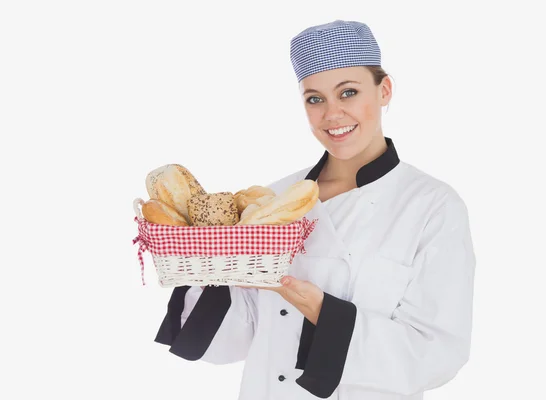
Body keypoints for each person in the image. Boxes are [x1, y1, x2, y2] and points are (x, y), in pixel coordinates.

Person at [154, 20, 476, 400]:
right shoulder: (271, 201)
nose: (332, 114)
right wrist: (206, 266)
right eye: (315, 98)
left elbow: (438, 353)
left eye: (349, 92)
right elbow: (238, 337)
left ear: (384, 90)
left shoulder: (432, 206)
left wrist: (325, 314)